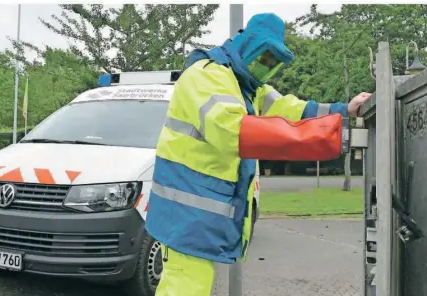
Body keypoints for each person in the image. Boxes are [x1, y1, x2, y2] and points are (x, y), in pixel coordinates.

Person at [145, 13, 372, 296]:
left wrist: (342, 111)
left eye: (272, 63)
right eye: (264, 57)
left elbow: (294, 110)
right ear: (248, 44)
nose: (266, 66)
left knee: (191, 284)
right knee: (186, 285)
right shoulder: (206, 75)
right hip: (184, 212)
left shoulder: (249, 88)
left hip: (197, 213)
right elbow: (233, 131)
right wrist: (328, 137)